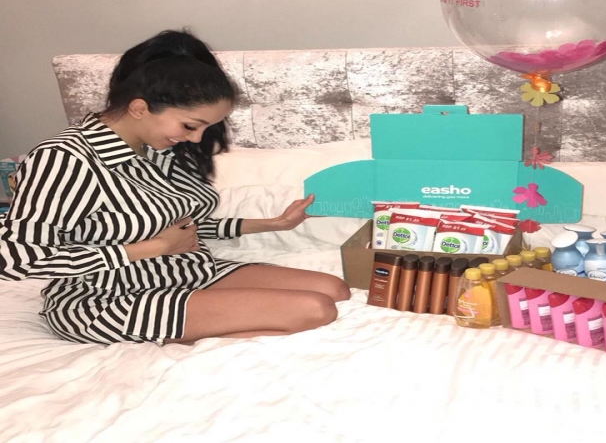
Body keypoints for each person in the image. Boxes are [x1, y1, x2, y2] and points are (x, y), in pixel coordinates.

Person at [0, 29, 351, 345]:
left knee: (334, 289)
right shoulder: (64, 158)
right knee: (315, 310)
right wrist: (148, 249)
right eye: (190, 126)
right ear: (140, 108)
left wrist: (273, 223)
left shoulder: (157, 150)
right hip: (106, 295)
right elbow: (15, 259)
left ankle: (193, 326)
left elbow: (179, 228)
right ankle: (174, 339)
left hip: (182, 271)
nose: (196, 139)